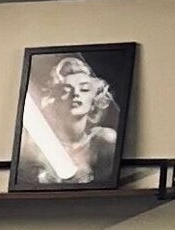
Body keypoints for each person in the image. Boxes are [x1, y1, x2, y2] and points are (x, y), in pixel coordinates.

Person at [17, 55, 122, 189]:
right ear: (55, 98)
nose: (75, 94)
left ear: (95, 99)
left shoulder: (104, 141)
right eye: (66, 90)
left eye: (84, 89)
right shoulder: (36, 146)